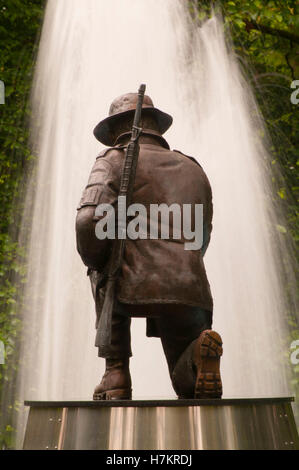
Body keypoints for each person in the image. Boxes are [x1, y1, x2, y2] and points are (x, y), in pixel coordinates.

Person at [76, 92, 223, 400]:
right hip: (190, 286)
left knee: (102, 272)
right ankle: (197, 353)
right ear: (155, 126)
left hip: (130, 284)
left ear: (117, 130)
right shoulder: (193, 167)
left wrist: (98, 260)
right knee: (187, 386)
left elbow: (88, 222)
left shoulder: (112, 160)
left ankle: (115, 373)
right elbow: (203, 232)